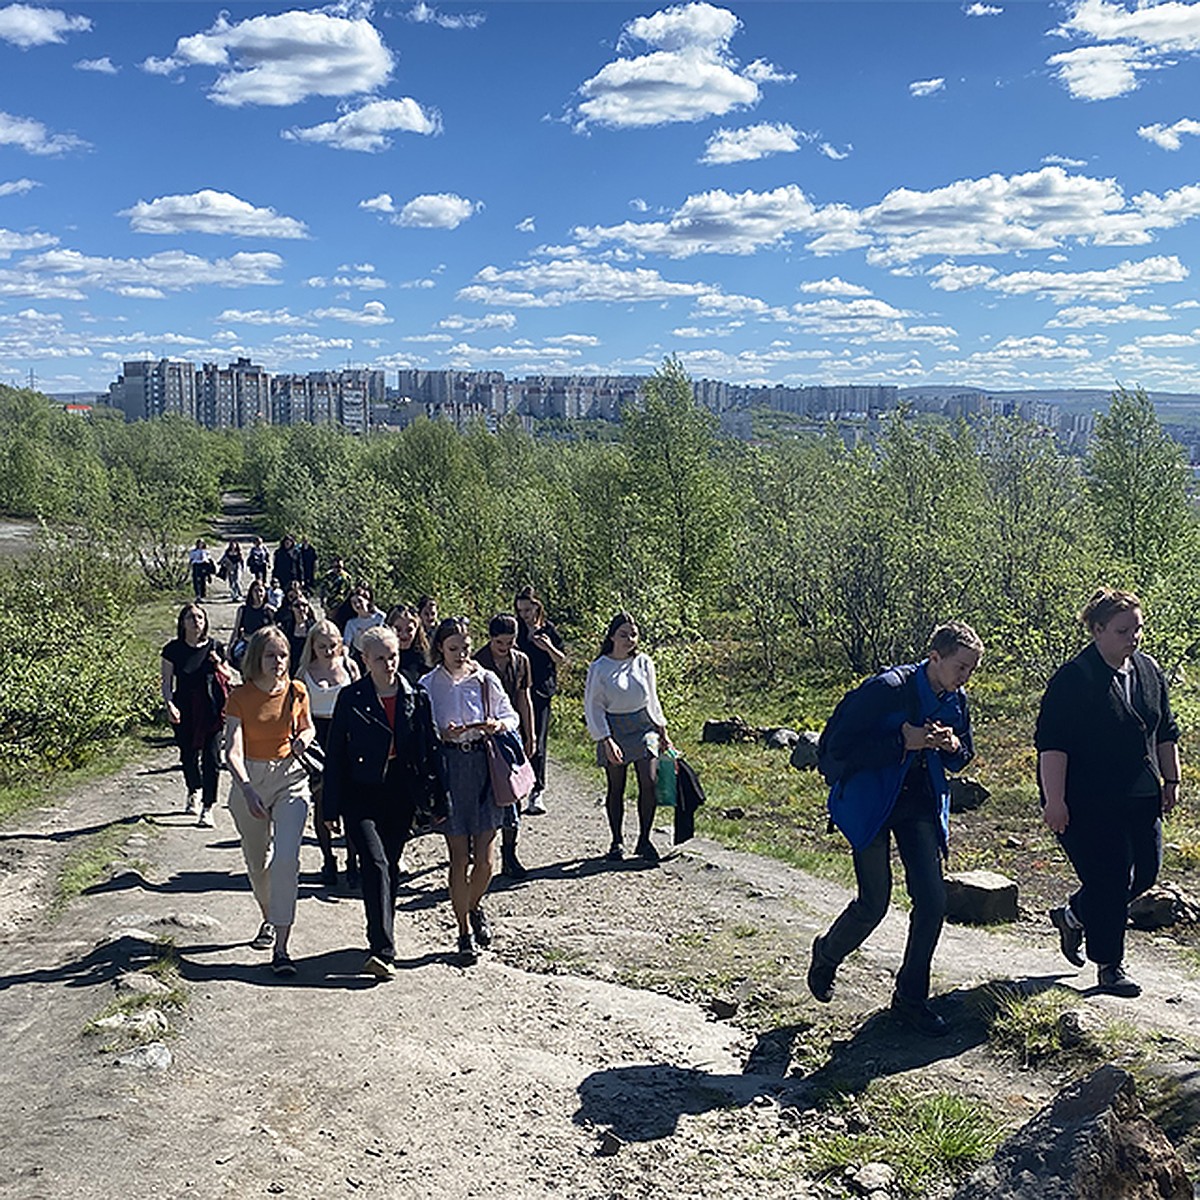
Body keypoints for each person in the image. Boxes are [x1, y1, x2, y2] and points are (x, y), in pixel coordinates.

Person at [806, 622, 982, 1037]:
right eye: (960, 667)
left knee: (933, 900)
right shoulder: (886, 689)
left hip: (919, 805)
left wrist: (952, 747)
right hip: (871, 803)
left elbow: (964, 754)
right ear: (934, 658)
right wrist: (903, 743)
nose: (965, 678)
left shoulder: (956, 700)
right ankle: (827, 954)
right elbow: (834, 750)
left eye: (971, 670)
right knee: (875, 902)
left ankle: (910, 1000)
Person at [1037, 588, 1181, 999]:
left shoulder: (1149, 670)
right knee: (1109, 876)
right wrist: (1055, 801)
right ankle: (1109, 967)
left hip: (1140, 794)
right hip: (1086, 799)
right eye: (1122, 630)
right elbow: (1053, 745)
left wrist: (1171, 780)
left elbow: (1164, 730)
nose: (1132, 638)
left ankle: (1073, 915)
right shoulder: (1074, 679)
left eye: (1137, 629)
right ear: (1097, 630)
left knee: (1145, 873)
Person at [324, 626, 444, 981]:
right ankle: (382, 949)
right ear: (365, 660)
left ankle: (381, 935)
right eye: (380, 657)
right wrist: (329, 808)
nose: (389, 663)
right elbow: (336, 755)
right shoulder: (351, 697)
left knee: (389, 866)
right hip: (360, 792)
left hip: (400, 792)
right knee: (374, 863)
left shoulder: (415, 695)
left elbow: (430, 748)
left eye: (392, 656)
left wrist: (440, 798)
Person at [420, 616, 520, 965]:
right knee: (459, 856)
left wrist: (498, 724)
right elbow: (421, 726)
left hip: (483, 766)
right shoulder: (428, 684)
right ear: (439, 649)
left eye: (464, 647)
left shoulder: (485, 679)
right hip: (450, 768)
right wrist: (439, 733)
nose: (460, 654)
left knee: (486, 861)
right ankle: (463, 930)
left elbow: (512, 716)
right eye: (452, 648)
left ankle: (474, 905)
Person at [223, 626, 315, 977]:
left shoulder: (297, 690)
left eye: (282, 655)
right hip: (250, 779)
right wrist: (246, 789)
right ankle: (267, 916)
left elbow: (307, 727)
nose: (277, 662)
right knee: (257, 861)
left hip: (291, 778)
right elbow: (232, 749)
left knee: (286, 859)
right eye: (270, 655)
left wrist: (304, 739)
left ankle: (282, 946)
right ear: (256, 658)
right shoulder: (240, 696)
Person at [583, 612, 673, 865]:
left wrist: (662, 731)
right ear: (612, 636)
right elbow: (594, 706)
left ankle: (644, 839)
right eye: (623, 634)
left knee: (650, 780)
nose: (629, 639)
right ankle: (616, 840)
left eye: (633, 634)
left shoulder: (644, 662)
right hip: (614, 727)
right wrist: (605, 739)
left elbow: (652, 699)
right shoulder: (599, 667)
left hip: (645, 726)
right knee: (616, 786)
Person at [297, 620, 361, 887]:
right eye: (321, 645)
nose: (327, 650)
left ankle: (353, 861)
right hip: (318, 736)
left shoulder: (350, 666)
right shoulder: (303, 673)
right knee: (323, 800)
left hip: (347, 734)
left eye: (332, 645)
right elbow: (297, 711)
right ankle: (328, 858)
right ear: (312, 645)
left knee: (353, 803)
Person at [475, 614, 535, 880]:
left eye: (511, 642)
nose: (506, 647)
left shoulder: (521, 661)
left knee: (514, 792)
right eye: (500, 642)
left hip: (511, 733)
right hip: (484, 735)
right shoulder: (477, 663)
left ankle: (510, 851)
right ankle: (480, 849)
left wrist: (530, 734)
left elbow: (525, 698)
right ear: (491, 639)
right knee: (486, 793)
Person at [161, 603, 230, 828]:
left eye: (200, 617)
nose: (196, 621)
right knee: (188, 755)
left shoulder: (215, 646)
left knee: (212, 758)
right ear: (183, 622)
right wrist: (169, 704)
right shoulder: (173, 650)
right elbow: (166, 682)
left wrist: (218, 663)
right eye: (191, 617)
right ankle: (194, 789)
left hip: (211, 709)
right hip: (185, 707)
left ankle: (208, 807)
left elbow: (228, 675)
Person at [515, 585, 566, 815]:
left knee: (538, 741)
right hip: (516, 691)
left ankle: (537, 791)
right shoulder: (514, 630)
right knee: (518, 739)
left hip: (542, 692)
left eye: (527, 609)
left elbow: (562, 659)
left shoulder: (548, 630)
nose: (524, 614)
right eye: (520, 610)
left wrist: (547, 647)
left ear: (536, 607)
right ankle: (516, 788)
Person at [230, 579, 276, 671]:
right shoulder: (243, 610)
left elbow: (275, 630)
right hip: (247, 642)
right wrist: (230, 646)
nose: (259, 594)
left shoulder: (269, 611)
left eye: (261, 591)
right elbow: (236, 630)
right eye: (256, 590)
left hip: (263, 644)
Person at [387, 603, 431, 687]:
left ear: (417, 630)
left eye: (409, 630)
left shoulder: (426, 659)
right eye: (398, 629)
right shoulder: (381, 658)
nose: (404, 635)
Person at [344, 588, 386, 668]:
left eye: (360, 601)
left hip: (379, 654)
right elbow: (346, 643)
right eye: (354, 603)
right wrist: (346, 657)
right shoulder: (351, 623)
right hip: (360, 656)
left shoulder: (380, 618)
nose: (357, 605)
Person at [319, 556, 353, 621]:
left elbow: (349, 591)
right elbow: (322, 590)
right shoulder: (328, 576)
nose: (338, 569)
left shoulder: (347, 577)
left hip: (342, 606)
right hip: (330, 604)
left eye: (340, 567)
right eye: (336, 567)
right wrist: (322, 603)